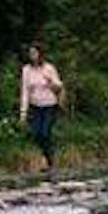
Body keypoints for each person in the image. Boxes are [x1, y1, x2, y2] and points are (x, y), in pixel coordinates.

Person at [18, 43, 65, 173]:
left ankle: (50, 160)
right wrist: (23, 113)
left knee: (45, 132)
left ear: (40, 54)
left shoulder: (49, 68)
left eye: (34, 53)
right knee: (35, 133)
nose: (32, 56)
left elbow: (59, 86)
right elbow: (25, 92)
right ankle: (46, 156)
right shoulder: (26, 70)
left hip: (49, 104)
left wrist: (51, 82)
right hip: (35, 105)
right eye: (30, 53)